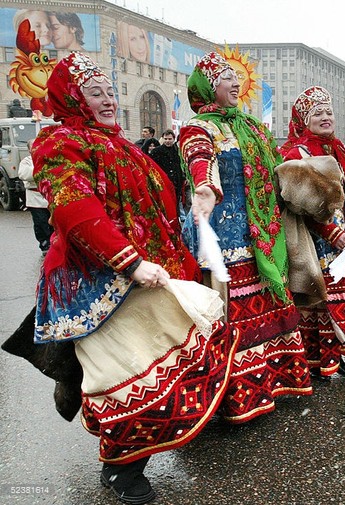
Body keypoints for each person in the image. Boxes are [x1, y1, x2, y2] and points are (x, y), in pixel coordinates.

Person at [29, 52, 244, 505]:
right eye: (95, 93)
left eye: (110, 92)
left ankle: (124, 455)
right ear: (72, 98)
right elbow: (74, 209)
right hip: (100, 283)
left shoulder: (121, 144)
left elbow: (157, 206)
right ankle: (120, 467)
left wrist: (196, 213)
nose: (107, 99)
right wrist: (128, 261)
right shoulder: (59, 143)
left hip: (147, 276)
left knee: (173, 365)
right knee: (128, 380)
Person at [180, 52, 312, 418]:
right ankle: (236, 399)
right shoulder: (198, 129)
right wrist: (205, 186)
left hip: (263, 239)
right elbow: (199, 158)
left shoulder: (252, 127)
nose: (235, 83)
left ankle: (273, 384)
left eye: (236, 77)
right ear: (207, 87)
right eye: (225, 78)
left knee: (268, 310)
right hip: (225, 239)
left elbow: (277, 170)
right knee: (233, 318)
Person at [280, 86, 345, 379]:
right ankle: (315, 362)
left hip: (340, 238)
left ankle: (331, 358)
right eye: (318, 113)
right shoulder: (296, 152)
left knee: (336, 299)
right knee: (317, 300)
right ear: (304, 120)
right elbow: (301, 204)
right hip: (314, 240)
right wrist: (332, 232)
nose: (326, 117)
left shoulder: (338, 150)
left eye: (329, 111)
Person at [17, 138, 52, 253]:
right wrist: (40, 170)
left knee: (53, 222)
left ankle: (55, 244)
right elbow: (24, 174)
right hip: (35, 198)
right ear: (29, 150)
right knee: (41, 222)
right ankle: (45, 244)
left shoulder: (49, 159)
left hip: (49, 196)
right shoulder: (26, 161)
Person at [149, 129, 184, 208]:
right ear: (162, 139)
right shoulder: (156, 151)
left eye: (169, 139)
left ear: (173, 139)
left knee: (176, 203)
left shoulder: (178, 151)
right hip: (162, 181)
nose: (167, 141)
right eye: (166, 139)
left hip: (176, 182)